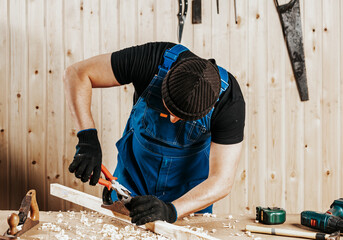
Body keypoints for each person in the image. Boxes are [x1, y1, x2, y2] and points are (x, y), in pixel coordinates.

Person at [63, 42, 245, 225]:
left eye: (183, 117)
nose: (172, 120)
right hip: (132, 181)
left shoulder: (229, 101)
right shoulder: (151, 61)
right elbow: (77, 74)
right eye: (169, 109)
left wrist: (171, 210)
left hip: (188, 198)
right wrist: (87, 138)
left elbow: (222, 180)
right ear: (166, 81)